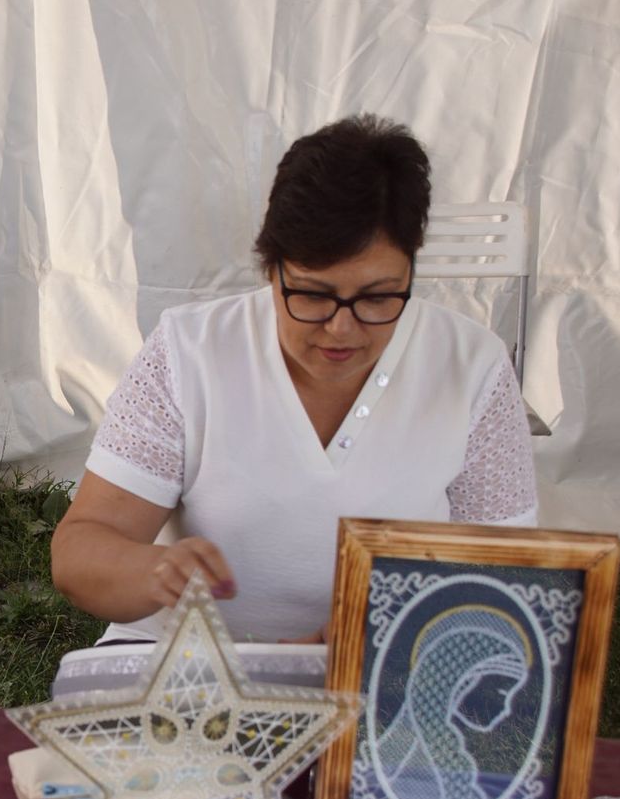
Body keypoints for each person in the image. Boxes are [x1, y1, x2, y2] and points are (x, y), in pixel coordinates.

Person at [51, 113, 538, 644]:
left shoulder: (472, 368)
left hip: (383, 670)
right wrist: (152, 571)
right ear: (270, 269)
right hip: (182, 665)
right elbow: (81, 550)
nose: (341, 328)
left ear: (411, 270)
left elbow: (501, 576)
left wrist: (375, 638)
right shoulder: (190, 351)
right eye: (311, 293)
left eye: (378, 297)